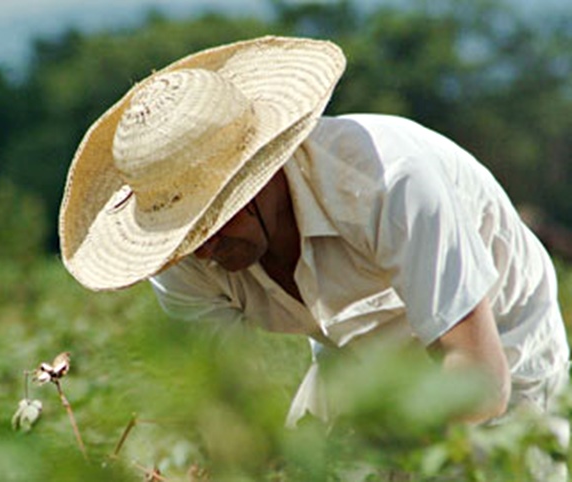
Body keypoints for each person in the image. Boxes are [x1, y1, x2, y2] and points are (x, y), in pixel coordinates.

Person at [57, 35, 569, 465]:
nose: (205, 248)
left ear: (261, 172)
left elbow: (478, 382)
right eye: (185, 235)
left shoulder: (387, 181)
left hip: (499, 341)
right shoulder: (182, 264)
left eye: (212, 220)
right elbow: (232, 410)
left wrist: (380, 457)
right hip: (357, 356)